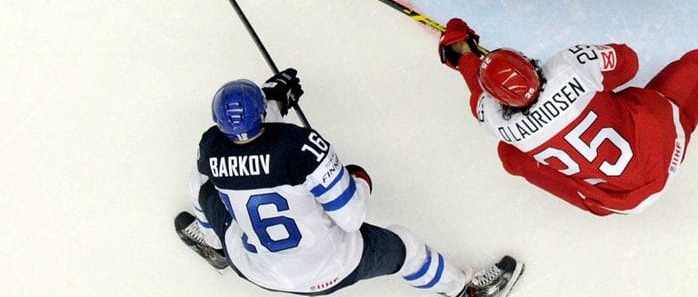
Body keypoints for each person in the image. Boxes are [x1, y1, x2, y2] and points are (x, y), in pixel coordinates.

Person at [437, 0, 698, 216]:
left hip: (618, 201)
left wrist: (464, 55)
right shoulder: (566, 68)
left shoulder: (498, 122)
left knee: (512, 157)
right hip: (655, 148)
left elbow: (478, 94)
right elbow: (628, 62)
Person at [174, 68, 523, 296]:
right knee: (406, 248)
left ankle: (217, 246)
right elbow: (351, 216)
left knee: (201, 184)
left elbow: (251, 141)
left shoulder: (212, 145)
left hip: (255, 269)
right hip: (331, 267)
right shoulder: (301, 146)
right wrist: (359, 178)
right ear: (263, 113)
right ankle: (464, 291)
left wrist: (275, 99)